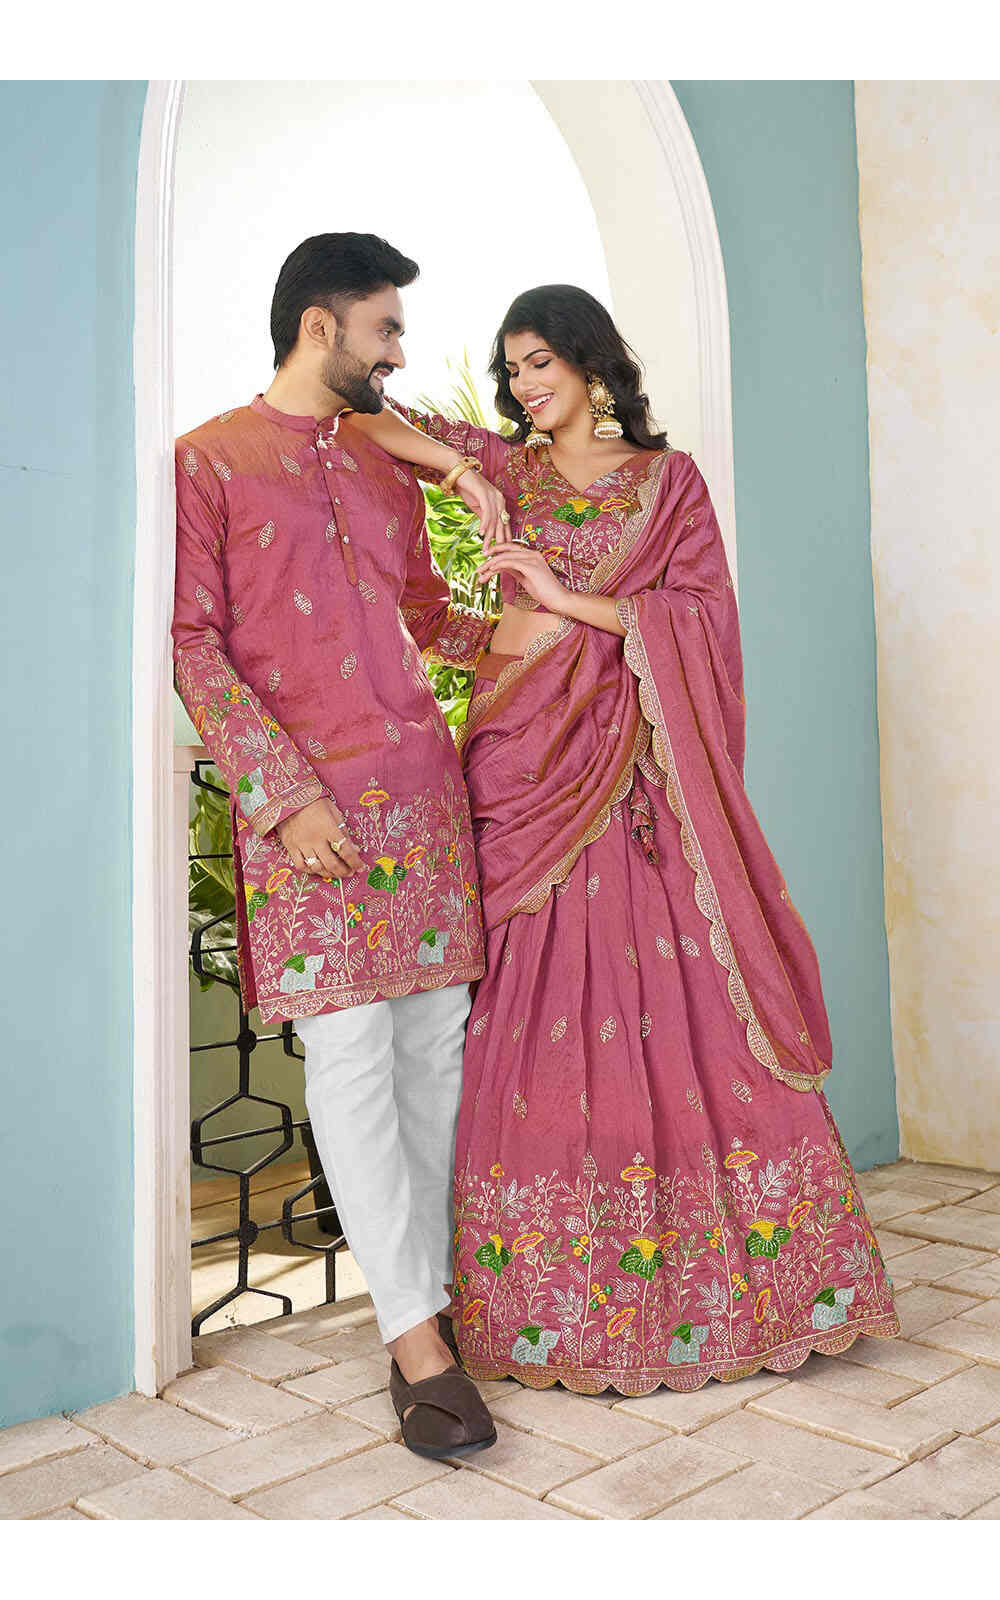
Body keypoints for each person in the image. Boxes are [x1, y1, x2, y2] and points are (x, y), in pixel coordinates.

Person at [347, 283, 901, 1396]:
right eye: (511, 370)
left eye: (540, 362)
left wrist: (563, 590)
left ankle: (733, 1282)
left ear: (593, 365)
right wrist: (460, 465)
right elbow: (371, 422)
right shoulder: (509, 470)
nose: (522, 387)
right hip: (523, 763)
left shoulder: (666, 481)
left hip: (632, 779)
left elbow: (699, 618)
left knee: (681, 1003)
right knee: (517, 1015)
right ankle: (530, 1296)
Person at [171, 232, 503, 1455]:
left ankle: (439, 1301)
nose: (400, 355)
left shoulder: (382, 467)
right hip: (307, 816)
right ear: (322, 327)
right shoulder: (206, 461)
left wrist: (555, 639)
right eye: (386, 332)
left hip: (422, 793)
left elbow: (427, 614)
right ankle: (414, 1341)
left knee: (435, 1057)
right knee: (352, 1058)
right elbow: (194, 640)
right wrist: (277, 791)